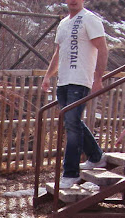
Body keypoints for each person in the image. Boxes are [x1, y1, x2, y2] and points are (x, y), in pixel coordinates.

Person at [41, 0, 109, 188]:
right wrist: (48, 75)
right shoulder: (63, 23)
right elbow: (58, 52)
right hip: (63, 80)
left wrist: (98, 79)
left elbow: (102, 49)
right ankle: (96, 156)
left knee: (72, 125)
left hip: (80, 79)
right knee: (72, 122)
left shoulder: (90, 19)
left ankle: (71, 173)